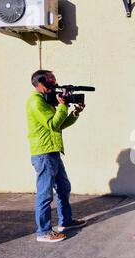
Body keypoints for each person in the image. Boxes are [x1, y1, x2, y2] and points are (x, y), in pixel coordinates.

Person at [27, 70, 87, 243]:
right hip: (44, 154)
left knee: (64, 187)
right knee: (45, 194)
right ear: (40, 83)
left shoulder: (46, 101)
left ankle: (66, 222)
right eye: (52, 82)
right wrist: (62, 106)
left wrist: (75, 113)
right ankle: (43, 232)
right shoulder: (36, 103)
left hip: (52, 151)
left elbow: (59, 124)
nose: (54, 86)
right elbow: (52, 124)